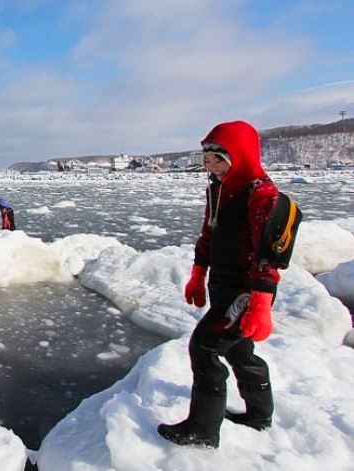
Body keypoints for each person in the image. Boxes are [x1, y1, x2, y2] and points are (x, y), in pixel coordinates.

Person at [157, 121, 280, 449]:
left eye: (219, 160)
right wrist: (199, 274)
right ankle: (259, 415)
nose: (211, 167)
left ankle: (203, 429)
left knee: (205, 347)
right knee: (240, 350)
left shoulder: (262, 196)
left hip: (246, 290)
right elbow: (209, 235)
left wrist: (261, 304)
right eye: (207, 160)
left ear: (240, 157)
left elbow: (267, 256)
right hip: (223, 285)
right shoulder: (219, 189)